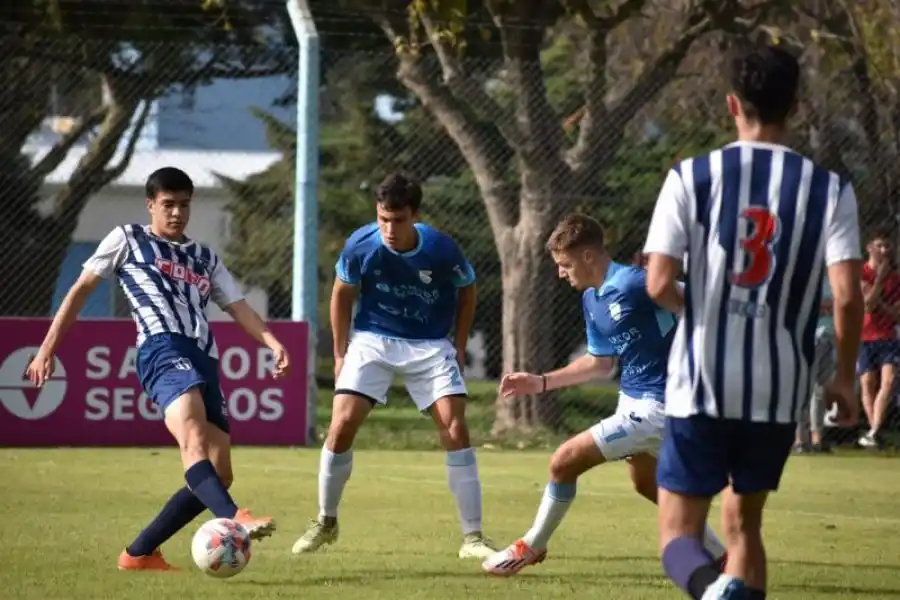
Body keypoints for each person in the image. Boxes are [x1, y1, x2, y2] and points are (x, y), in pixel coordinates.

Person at [642, 43, 863, 600]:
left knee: (678, 535)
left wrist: (699, 314)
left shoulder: (691, 177)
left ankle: (711, 592)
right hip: (777, 388)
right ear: (796, 106)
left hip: (702, 383)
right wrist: (842, 375)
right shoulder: (830, 190)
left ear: (731, 104)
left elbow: (658, 283)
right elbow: (846, 295)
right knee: (745, 528)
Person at [26, 167, 287, 571]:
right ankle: (235, 518)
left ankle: (139, 553)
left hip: (204, 356)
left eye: (184, 205)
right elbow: (80, 291)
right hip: (161, 348)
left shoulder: (205, 258)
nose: (177, 213)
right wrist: (47, 349)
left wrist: (271, 342)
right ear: (151, 204)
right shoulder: (127, 239)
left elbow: (238, 307)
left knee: (219, 473)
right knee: (192, 434)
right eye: (168, 205)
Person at [481, 213, 726, 577]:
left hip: (660, 405)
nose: (561, 273)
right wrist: (539, 382)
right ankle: (721, 556)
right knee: (646, 483)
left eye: (565, 265)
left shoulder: (633, 283)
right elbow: (600, 364)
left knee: (563, 461)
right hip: (632, 399)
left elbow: (701, 301)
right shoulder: (592, 300)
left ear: (589, 257)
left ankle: (531, 546)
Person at [291, 172, 495, 559]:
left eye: (398, 220)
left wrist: (460, 344)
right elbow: (341, 295)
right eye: (383, 218)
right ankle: (325, 520)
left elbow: (467, 291)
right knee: (341, 424)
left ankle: (473, 538)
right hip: (373, 339)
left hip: (430, 344)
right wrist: (339, 353)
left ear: (414, 215)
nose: (389, 228)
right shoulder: (360, 245)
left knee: (455, 427)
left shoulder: (441, 249)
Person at [858, 229, 900, 448]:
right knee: (867, 383)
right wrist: (881, 281)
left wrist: (878, 304)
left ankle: (873, 431)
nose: (883, 250)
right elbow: (867, 304)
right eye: (879, 246)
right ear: (869, 248)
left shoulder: (897, 279)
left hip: (888, 337)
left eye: (887, 246)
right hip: (864, 336)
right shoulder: (861, 272)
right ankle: (873, 432)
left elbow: (897, 315)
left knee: (889, 381)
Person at [793, 280, 835, 453]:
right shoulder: (808, 273)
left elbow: (841, 302)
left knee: (820, 391)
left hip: (830, 338)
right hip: (811, 338)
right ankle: (800, 440)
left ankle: (817, 438)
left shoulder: (831, 278)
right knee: (804, 390)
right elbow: (801, 305)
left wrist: (828, 306)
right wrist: (827, 306)